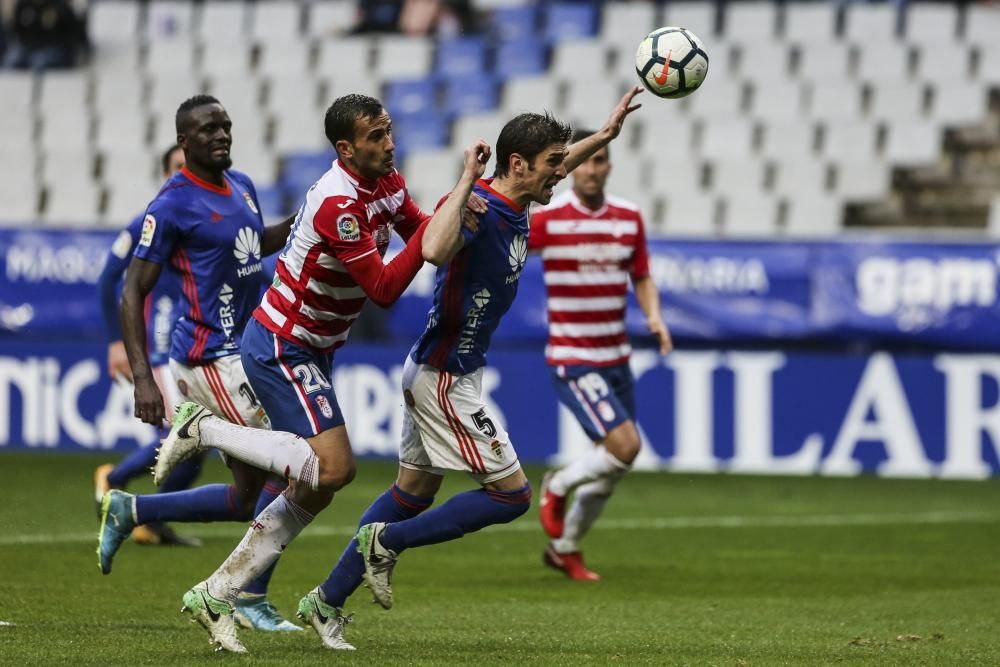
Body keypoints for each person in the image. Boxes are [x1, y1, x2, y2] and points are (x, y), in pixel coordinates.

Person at [284, 89, 643, 651]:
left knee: (413, 491)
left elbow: (555, 166)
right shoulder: (480, 210)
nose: (562, 175)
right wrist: (463, 187)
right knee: (511, 496)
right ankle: (384, 544)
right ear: (518, 165)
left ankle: (326, 599)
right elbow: (433, 249)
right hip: (444, 376)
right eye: (553, 164)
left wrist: (604, 133)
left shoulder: (521, 197)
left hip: (442, 368)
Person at [152, 93, 489, 653]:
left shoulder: (386, 181)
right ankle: (202, 430)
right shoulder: (338, 203)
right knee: (335, 468)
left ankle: (218, 592)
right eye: (375, 136)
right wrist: (451, 208)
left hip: (315, 345)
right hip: (282, 343)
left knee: (316, 487)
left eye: (388, 131)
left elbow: (423, 229)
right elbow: (384, 288)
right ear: (345, 148)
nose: (388, 143)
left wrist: (455, 213)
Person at [96, 95, 300, 633]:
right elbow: (129, 290)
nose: (221, 134)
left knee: (244, 499)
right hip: (210, 357)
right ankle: (246, 594)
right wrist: (144, 377)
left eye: (226, 125)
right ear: (183, 141)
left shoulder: (244, 186)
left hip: (239, 351)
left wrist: (311, 218)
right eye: (209, 128)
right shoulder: (172, 204)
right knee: (301, 465)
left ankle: (133, 510)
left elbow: (257, 245)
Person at [529, 128, 672, 581]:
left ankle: (565, 548)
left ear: (609, 165)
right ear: (570, 166)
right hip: (573, 356)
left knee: (611, 465)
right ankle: (557, 485)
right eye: (585, 161)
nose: (592, 168)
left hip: (617, 356)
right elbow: (503, 248)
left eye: (601, 160)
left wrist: (654, 316)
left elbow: (642, 275)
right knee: (626, 446)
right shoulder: (549, 219)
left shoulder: (628, 217)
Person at [93, 143, 203, 547]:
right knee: (186, 432)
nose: (184, 172)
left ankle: (151, 522)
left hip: (195, 342)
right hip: (163, 343)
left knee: (197, 446)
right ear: (165, 174)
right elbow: (109, 279)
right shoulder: (153, 219)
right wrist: (115, 343)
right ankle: (116, 479)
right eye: (177, 167)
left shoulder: (208, 213)